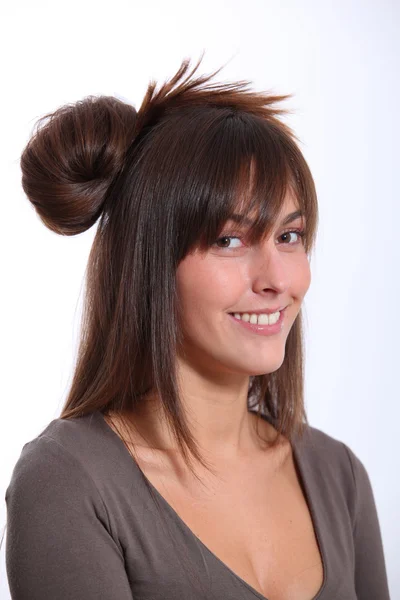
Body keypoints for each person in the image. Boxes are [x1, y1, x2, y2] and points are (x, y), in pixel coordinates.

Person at [4, 57, 390, 600]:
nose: (277, 279)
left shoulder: (338, 476)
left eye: (290, 235)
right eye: (230, 240)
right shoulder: (70, 483)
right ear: (149, 263)